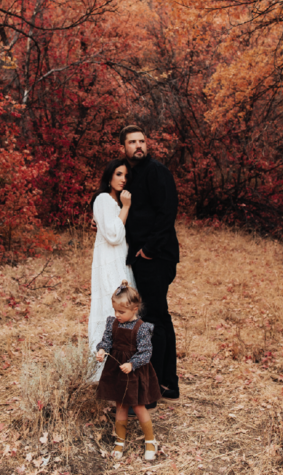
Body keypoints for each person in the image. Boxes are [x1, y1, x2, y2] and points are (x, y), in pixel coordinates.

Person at [120, 125, 180, 403]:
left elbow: (167, 212)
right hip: (143, 258)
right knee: (157, 317)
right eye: (132, 142)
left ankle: (156, 388)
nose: (138, 145)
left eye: (142, 140)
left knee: (155, 319)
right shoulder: (129, 176)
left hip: (157, 256)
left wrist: (148, 250)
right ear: (124, 147)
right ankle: (168, 383)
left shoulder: (156, 171)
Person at [96, 281, 160, 461]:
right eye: (115, 310)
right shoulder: (112, 323)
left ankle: (150, 440)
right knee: (120, 406)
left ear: (135, 309)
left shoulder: (141, 328)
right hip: (117, 371)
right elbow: (107, 341)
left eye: (121, 312)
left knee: (138, 406)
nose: (117, 315)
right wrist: (102, 350)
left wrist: (132, 364)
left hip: (134, 372)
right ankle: (120, 441)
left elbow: (146, 352)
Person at [88, 159, 136, 382]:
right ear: (109, 177)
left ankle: (124, 373)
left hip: (120, 262)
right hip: (109, 264)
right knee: (112, 313)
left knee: (126, 313)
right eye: (118, 174)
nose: (123, 179)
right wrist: (126, 208)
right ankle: (106, 376)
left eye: (125, 175)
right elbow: (114, 235)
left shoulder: (115, 203)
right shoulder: (103, 199)